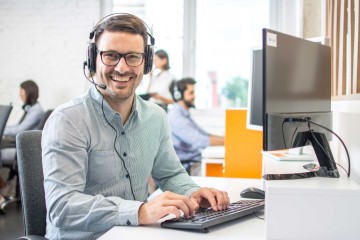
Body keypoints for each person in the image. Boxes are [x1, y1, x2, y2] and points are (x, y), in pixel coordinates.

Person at [42, 13, 229, 239]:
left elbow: (170, 174)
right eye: (110, 56)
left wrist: (194, 192)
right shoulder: (68, 120)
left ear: (146, 63)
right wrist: (139, 211)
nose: (122, 68)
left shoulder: (156, 117)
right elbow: (62, 205)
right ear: (93, 59)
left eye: (132, 57)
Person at [168, 78, 225, 175]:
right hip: (186, 167)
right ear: (179, 95)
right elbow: (200, 140)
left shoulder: (183, 114)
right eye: (191, 93)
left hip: (193, 162)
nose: (194, 96)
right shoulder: (176, 117)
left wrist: (228, 139)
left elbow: (204, 134)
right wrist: (231, 142)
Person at [1, 80, 44, 203]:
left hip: (22, 150)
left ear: (28, 92)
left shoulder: (36, 110)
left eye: (21, 91)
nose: (20, 95)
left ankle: (4, 188)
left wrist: (2, 128)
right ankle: (4, 187)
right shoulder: (31, 109)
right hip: (18, 146)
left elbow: (19, 130)